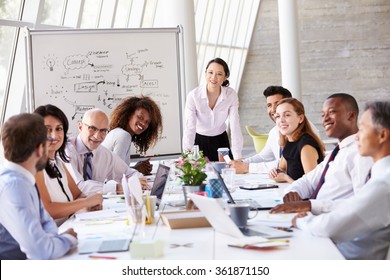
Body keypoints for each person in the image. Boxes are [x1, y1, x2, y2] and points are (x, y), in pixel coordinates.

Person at [292, 101, 390, 260]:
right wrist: (312, 206)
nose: (357, 135)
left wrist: (302, 220)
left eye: (363, 128)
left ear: (382, 135)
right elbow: (355, 204)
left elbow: (329, 227)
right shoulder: (382, 175)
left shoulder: (383, 184)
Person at [270, 93, 373, 215]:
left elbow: (362, 203)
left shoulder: (360, 153)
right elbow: (308, 180)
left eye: (332, 112)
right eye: (323, 115)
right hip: (313, 216)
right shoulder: (337, 153)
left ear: (351, 116)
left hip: (332, 222)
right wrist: (293, 192)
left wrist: (310, 205)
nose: (325, 119)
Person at [0, 113, 77, 260]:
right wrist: (68, 239)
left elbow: (47, 226)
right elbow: (41, 250)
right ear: (40, 149)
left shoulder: (24, 179)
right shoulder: (14, 187)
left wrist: (56, 240)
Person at [34, 105, 103, 226]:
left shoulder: (58, 162)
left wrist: (92, 203)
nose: (54, 135)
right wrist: (86, 202)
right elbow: (49, 210)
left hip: (69, 227)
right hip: (52, 237)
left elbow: (77, 195)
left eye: (59, 129)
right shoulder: (35, 167)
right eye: (47, 129)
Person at [231, 86, 319, 174]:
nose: (273, 109)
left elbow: (289, 164)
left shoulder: (306, 136)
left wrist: (247, 168)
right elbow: (264, 157)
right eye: (269, 105)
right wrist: (240, 163)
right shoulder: (275, 131)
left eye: (277, 104)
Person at [64, 108, 146, 196]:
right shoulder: (66, 151)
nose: (97, 136)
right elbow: (78, 186)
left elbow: (129, 173)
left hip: (96, 206)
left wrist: (139, 181)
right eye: (92, 128)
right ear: (80, 127)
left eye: (103, 131)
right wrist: (118, 188)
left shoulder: (104, 153)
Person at [182, 57, 243, 161]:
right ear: (205, 73)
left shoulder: (231, 95)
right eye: (210, 72)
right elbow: (189, 128)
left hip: (221, 141)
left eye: (219, 74)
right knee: (199, 174)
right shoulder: (193, 96)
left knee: (227, 170)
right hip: (199, 140)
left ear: (225, 77)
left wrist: (238, 157)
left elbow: (235, 126)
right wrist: (187, 157)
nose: (213, 77)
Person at [102, 96, 162, 175]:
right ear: (129, 114)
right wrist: (137, 169)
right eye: (140, 117)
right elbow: (116, 174)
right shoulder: (123, 135)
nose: (143, 124)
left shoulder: (119, 133)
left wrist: (136, 168)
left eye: (147, 122)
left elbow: (116, 169)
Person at [269, 98, 325, 183]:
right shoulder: (289, 140)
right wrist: (275, 172)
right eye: (277, 116)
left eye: (287, 115)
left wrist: (286, 178)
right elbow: (281, 168)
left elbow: (312, 185)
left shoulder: (306, 145)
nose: (281, 120)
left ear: (301, 118)